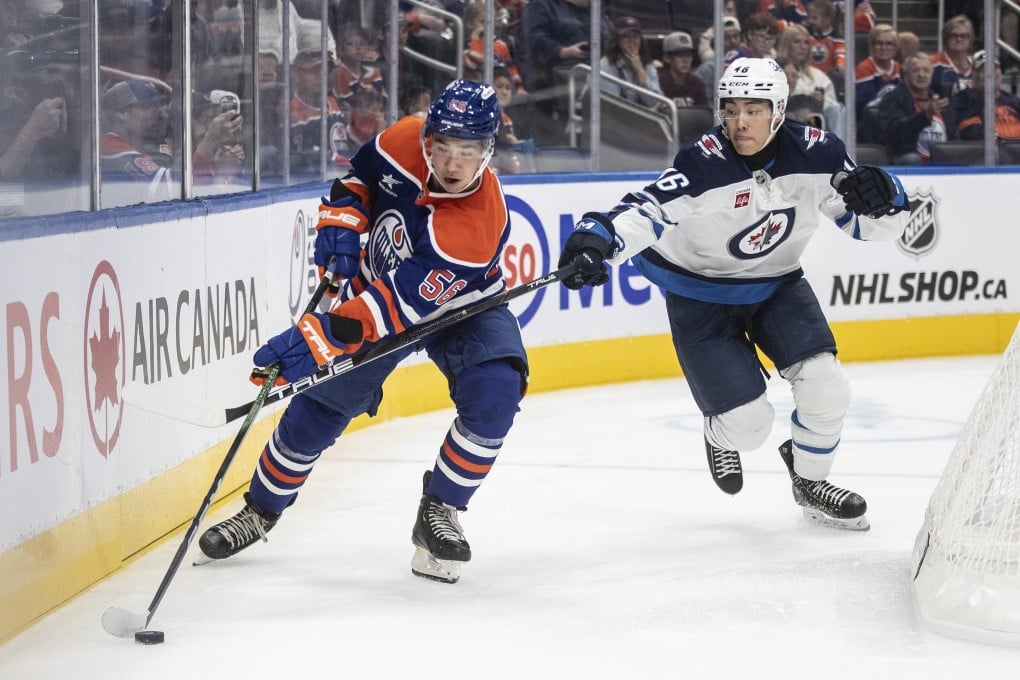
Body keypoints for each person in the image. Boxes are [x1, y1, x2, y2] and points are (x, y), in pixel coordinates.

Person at [556, 57, 910, 531]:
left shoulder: (819, 153)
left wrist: (891, 196)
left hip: (777, 285)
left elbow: (869, 226)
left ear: (779, 109)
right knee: (749, 428)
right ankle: (719, 434)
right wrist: (600, 238)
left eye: (754, 109)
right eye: (731, 108)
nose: (740, 122)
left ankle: (810, 482)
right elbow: (645, 210)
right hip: (699, 293)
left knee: (827, 385)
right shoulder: (702, 162)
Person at [199, 79, 527, 585]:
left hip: (464, 306)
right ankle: (259, 511)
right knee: (318, 409)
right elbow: (355, 181)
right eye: (444, 148)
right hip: (377, 290)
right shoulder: (400, 139)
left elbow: (395, 308)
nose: (454, 165)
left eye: (469, 151)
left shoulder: (475, 224)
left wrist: (316, 337)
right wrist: (341, 222)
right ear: (428, 138)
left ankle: (440, 509)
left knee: (496, 393)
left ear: (488, 150)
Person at [877, 52, 956, 165]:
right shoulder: (893, 99)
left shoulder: (940, 102)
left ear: (932, 75)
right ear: (905, 75)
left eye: (926, 71)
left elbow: (954, 141)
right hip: (908, 164)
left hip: (940, 165)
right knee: (911, 159)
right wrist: (925, 115)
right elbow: (895, 135)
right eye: (915, 70)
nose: (921, 75)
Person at [777, 23, 846, 138]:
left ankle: (839, 151)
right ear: (786, 44)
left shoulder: (818, 75)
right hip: (789, 118)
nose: (803, 47)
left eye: (806, 42)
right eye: (797, 42)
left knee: (838, 109)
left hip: (819, 122)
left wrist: (820, 101)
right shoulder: (774, 70)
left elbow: (831, 104)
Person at [952, 50, 1020, 144]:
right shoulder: (964, 99)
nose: (990, 74)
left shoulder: (1014, 101)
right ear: (974, 75)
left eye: (994, 68)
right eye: (984, 70)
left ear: (1000, 73)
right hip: (987, 156)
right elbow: (973, 134)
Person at [598, 15, 664, 110]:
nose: (631, 41)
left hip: (639, 120)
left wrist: (639, 70)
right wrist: (645, 114)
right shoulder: (604, 66)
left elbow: (654, 102)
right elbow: (611, 107)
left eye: (635, 36)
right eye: (625, 36)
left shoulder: (647, 66)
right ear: (617, 40)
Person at [854, 23, 900, 119]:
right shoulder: (864, 67)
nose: (883, 48)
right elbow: (866, 103)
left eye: (889, 43)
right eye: (879, 43)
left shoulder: (899, 68)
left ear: (895, 47)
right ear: (871, 46)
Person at [657, 31, 708, 107]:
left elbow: (703, 113)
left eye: (688, 55)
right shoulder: (658, 81)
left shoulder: (697, 83)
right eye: (680, 55)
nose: (685, 60)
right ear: (667, 58)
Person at [931, 14, 975, 97]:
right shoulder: (932, 63)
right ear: (945, 38)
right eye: (953, 35)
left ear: (970, 39)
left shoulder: (977, 64)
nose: (958, 39)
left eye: (963, 36)